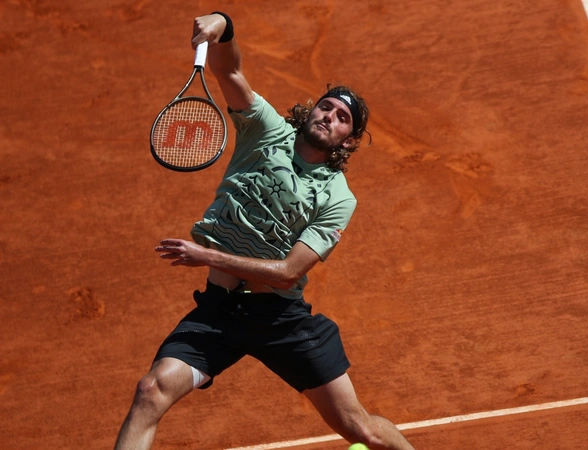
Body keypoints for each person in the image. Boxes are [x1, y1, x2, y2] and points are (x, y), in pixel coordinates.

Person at [115, 11, 416, 450]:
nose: (329, 116)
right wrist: (223, 25)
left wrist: (206, 255)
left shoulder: (338, 198)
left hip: (279, 320)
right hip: (219, 312)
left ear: (349, 141)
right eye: (326, 106)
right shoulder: (265, 130)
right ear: (312, 109)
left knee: (361, 429)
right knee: (150, 391)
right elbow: (229, 70)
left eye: (342, 118)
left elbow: (288, 273)